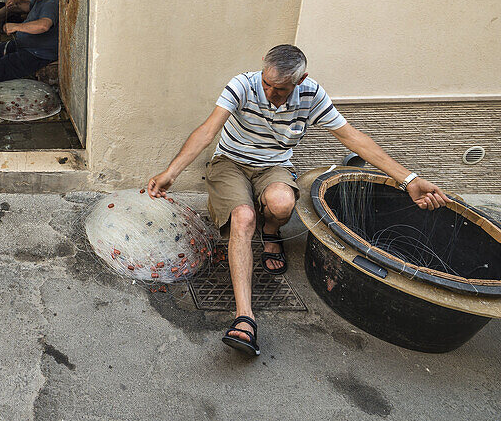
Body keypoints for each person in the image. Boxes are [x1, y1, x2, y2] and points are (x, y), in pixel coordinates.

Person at [146, 44, 448, 358]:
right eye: (267, 83)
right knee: (244, 217)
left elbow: (352, 138)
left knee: (281, 205)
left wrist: (409, 179)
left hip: (275, 166)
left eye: (280, 89)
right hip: (230, 162)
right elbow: (208, 130)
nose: (270, 93)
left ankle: (272, 232)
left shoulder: (312, 94)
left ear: (300, 79)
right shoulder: (242, 85)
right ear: (262, 67)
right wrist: (171, 173)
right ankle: (244, 317)